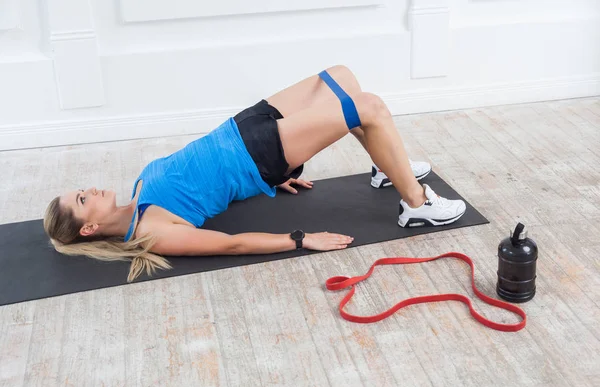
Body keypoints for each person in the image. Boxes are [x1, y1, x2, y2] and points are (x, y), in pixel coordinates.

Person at [43, 65, 466, 282]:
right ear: (90, 228)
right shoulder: (152, 231)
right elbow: (232, 243)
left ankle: (385, 164)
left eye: (82, 190)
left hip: (242, 127)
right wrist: (301, 240)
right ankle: (416, 203)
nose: (92, 189)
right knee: (368, 106)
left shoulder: (139, 188)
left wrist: (273, 180)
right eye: (83, 199)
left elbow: (207, 185)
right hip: (259, 152)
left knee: (342, 78)